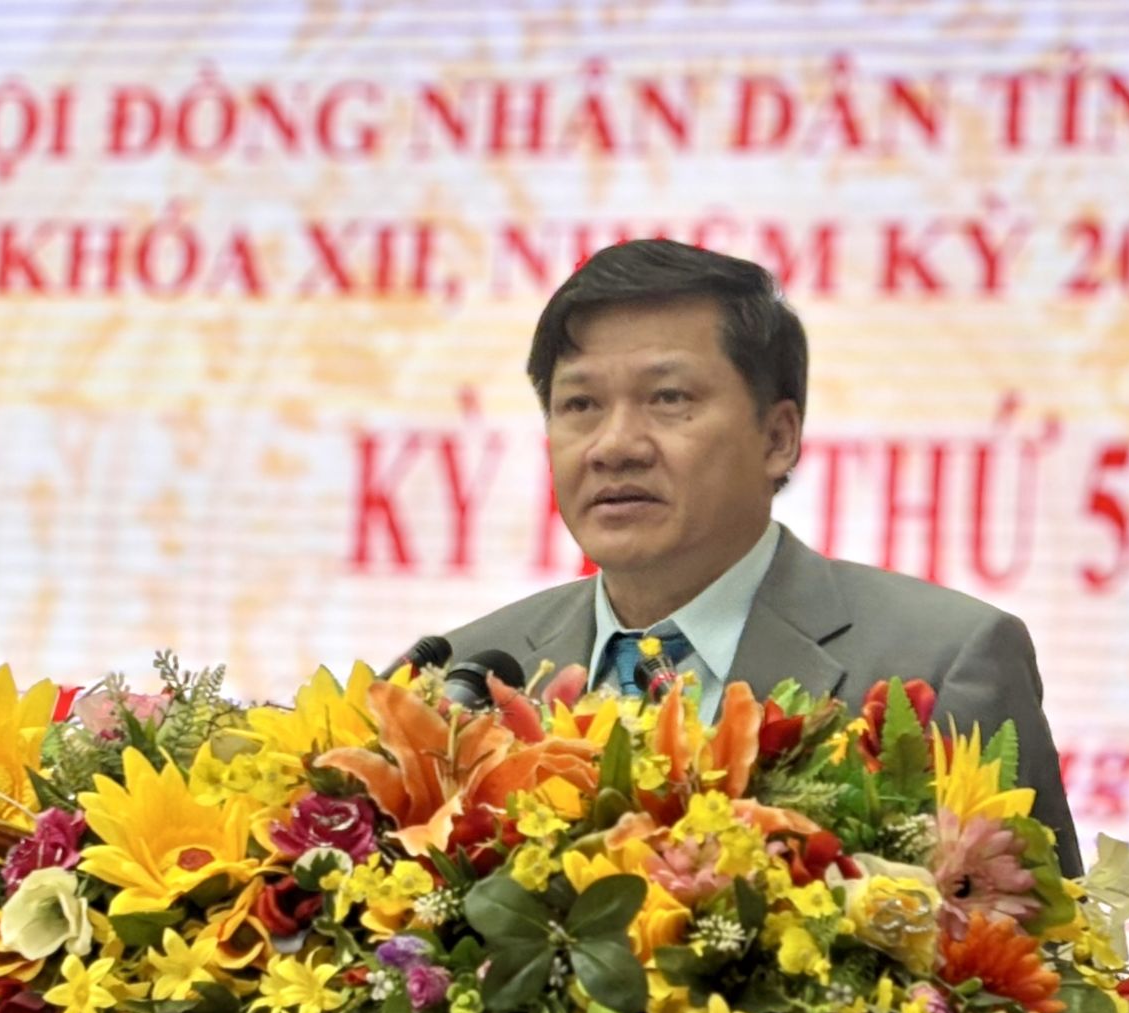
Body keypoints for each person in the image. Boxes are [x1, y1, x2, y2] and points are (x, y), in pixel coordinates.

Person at [444, 239, 1083, 876]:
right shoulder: (455, 683)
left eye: (668, 398)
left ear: (778, 438)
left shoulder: (943, 665)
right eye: (580, 405)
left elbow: (1030, 934)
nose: (614, 446)